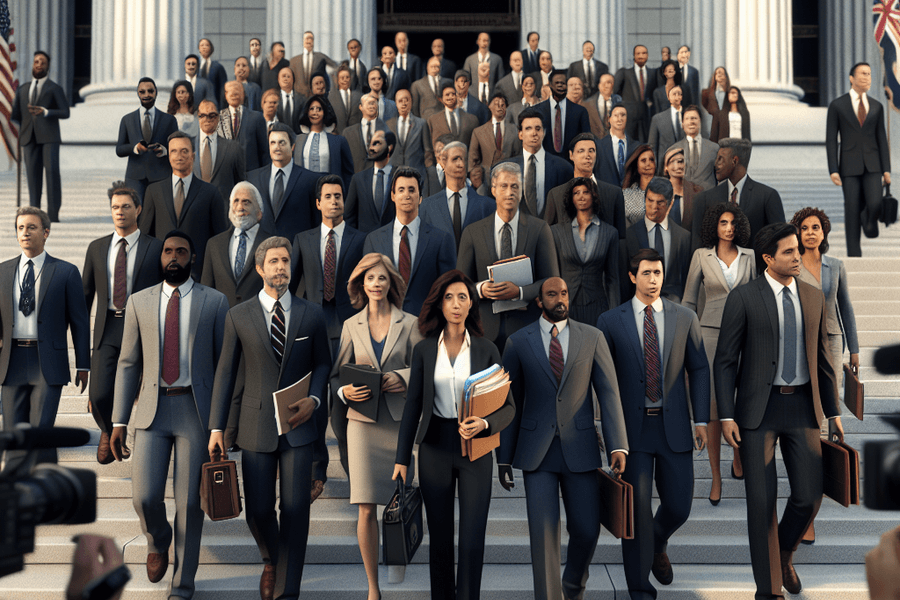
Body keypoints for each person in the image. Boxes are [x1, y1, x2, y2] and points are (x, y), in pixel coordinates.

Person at [714, 222, 842, 599]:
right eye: (788, 252)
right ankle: (768, 592)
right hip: (758, 412)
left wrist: (833, 411)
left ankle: (784, 551)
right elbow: (725, 361)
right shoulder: (744, 297)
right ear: (768, 258)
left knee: (809, 496)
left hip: (803, 408)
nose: (798, 256)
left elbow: (823, 360)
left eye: (797, 249)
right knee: (761, 503)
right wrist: (726, 415)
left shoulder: (813, 296)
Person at [208, 236, 332, 600]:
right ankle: (272, 560)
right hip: (255, 425)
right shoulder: (238, 315)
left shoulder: (312, 313)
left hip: (299, 426)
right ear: (260, 268)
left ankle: (287, 590)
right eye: (274, 261)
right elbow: (225, 374)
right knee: (259, 511)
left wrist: (314, 399)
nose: (281, 267)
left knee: (295, 509)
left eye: (286, 261)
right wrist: (217, 428)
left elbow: (323, 363)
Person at [109, 230, 229, 598]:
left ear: (192, 258)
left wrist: (220, 424)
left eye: (181, 251)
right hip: (152, 410)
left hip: (195, 411)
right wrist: (118, 420)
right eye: (167, 251)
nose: (173, 257)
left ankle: (183, 584)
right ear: (160, 258)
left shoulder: (215, 301)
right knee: (144, 497)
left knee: (190, 504)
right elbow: (128, 362)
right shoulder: (139, 302)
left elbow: (224, 368)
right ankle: (158, 540)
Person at [499, 276, 626, 600]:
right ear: (539, 301)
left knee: (587, 529)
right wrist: (503, 458)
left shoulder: (592, 337)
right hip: (536, 453)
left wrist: (618, 445)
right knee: (543, 537)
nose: (560, 299)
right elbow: (510, 402)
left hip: (580, 449)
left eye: (564, 293)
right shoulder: (518, 341)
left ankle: (572, 585)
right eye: (552, 294)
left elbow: (609, 393)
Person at [393, 270, 516, 600]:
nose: (456, 304)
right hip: (434, 446)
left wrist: (484, 424)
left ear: (471, 303)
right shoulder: (423, 350)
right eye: (449, 297)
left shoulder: (487, 350)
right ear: (440, 304)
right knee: (440, 538)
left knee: (473, 538)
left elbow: (508, 408)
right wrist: (402, 459)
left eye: (463, 297)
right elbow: (413, 405)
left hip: (476, 449)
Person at [596, 248, 709, 600]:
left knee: (679, 506)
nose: (653, 279)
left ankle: (658, 541)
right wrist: (609, 433)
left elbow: (700, 368)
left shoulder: (685, 317)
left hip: (674, 428)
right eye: (646, 273)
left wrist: (701, 419)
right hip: (633, 432)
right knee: (637, 514)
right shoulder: (610, 321)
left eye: (658, 273)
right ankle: (639, 589)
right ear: (633, 277)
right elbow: (603, 381)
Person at [331, 253, 424, 600]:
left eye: (382, 277)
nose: (376, 284)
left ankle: (398, 560)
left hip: (400, 425)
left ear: (391, 283)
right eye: (370, 278)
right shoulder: (350, 325)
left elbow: (425, 368)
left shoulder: (411, 323)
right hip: (362, 424)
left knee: (400, 500)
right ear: (361, 283)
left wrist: (403, 377)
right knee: (366, 506)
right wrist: (344, 392)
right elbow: (337, 375)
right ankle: (373, 587)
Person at [0, 206, 90, 464]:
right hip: (12, 361)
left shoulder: (65, 271)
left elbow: (80, 323)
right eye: (20, 228)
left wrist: (83, 365)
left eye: (32, 227)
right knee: (13, 435)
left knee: (41, 432)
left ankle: (44, 481)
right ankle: (17, 484)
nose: (25, 233)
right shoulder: (3, 271)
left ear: (46, 232)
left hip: (47, 362)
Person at [82, 183, 163, 464]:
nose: (120, 212)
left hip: (141, 327)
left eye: (126, 206)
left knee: (135, 387)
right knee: (99, 393)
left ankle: (118, 432)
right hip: (107, 327)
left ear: (138, 210)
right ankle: (110, 429)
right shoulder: (97, 248)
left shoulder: (156, 248)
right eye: (115, 207)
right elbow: (85, 295)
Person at [291, 175, 366, 477]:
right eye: (328, 196)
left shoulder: (361, 240)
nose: (334, 201)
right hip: (313, 330)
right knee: (316, 400)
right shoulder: (303, 239)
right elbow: (290, 286)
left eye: (338, 196)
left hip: (350, 330)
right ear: (318, 203)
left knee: (346, 403)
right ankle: (317, 470)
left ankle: (354, 472)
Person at [682, 203, 755, 505]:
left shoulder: (750, 256)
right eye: (723, 222)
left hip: (745, 333)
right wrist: (686, 340)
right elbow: (688, 301)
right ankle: (715, 476)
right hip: (709, 333)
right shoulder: (702, 256)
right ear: (714, 225)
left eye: (733, 223)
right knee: (712, 407)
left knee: (740, 399)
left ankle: (737, 453)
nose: (728, 228)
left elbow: (759, 295)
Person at [456, 162, 560, 349]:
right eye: (504, 186)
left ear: (521, 191)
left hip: (528, 329)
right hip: (484, 331)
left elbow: (552, 282)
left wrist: (520, 292)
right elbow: (459, 284)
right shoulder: (473, 232)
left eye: (515, 186)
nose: (510, 192)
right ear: (493, 190)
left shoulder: (539, 229)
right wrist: (481, 289)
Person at [362, 166, 456, 317]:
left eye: (412, 190)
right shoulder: (374, 240)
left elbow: (448, 290)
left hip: (426, 323)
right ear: (392, 196)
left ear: (420, 198)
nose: (407, 195)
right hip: (385, 321)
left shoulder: (440, 239)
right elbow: (368, 287)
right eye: (401, 190)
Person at [139, 131, 227, 280]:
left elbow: (219, 239)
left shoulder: (210, 193)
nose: (179, 156)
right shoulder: (154, 191)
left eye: (184, 151)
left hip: (199, 274)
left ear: (193, 156)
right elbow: (145, 237)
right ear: (168, 156)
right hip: (162, 274)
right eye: (173, 151)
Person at [826, 62, 891, 257]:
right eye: (862, 73)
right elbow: (831, 139)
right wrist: (833, 169)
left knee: (875, 203)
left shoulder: (877, 106)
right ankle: (854, 254)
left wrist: (886, 169)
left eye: (869, 74)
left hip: (873, 165)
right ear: (851, 78)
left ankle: (868, 218)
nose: (866, 77)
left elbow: (882, 139)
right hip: (849, 166)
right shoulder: (837, 105)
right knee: (851, 210)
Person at [690, 138, 785, 253]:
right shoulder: (704, 199)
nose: (716, 164)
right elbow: (697, 248)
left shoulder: (767, 196)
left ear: (734, 161)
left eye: (721, 159)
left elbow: (781, 242)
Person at [550, 178, 620, 324]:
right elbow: (553, 276)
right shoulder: (557, 232)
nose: (581, 196)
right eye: (576, 193)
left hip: (597, 305)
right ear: (571, 199)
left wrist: (614, 313)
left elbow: (612, 279)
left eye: (586, 192)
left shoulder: (610, 233)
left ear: (593, 196)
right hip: (565, 305)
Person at [201, 181, 274, 308]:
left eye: (246, 202)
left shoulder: (272, 245)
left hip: (259, 316)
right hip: (223, 317)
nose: (240, 207)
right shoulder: (214, 244)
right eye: (236, 201)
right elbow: (206, 291)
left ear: (259, 212)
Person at [544, 133, 627, 241]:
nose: (587, 155)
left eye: (591, 151)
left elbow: (621, 239)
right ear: (571, 155)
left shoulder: (614, 193)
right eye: (581, 151)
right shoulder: (556, 195)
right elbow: (548, 238)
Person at [245, 123, 322, 240]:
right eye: (273, 143)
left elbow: (316, 222)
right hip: (262, 247)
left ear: (292, 146)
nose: (277, 147)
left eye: (282, 143)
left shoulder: (311, 180)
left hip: (296, 247)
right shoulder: (252, 178)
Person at [625, 176, 692, 303]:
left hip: (674, 306)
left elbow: (685, 280)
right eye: (650, 200)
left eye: (660, 203)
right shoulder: (630, 235)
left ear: (670, 203)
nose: (654, 207)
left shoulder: (683, 237)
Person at [421, 141, 495, 253]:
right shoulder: (427, 207)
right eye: (455, 159)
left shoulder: (487, 206)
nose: (460, 164)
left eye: (464, 159)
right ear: (443, 162)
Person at [503, 108, 573, 220]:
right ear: (520, 134)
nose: (534, 133)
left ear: (543, 133)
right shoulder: (506, 168)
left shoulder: (563, 168)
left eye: (538, 128)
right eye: (528, 128)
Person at [116, 77, 178, 201]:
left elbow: (176, 146)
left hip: (161, 175)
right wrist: (135, 148)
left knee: (161, 211)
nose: (146, 95)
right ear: (138, 94)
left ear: (156, 92)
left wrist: (164, 150)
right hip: (135, 177)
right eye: (142, 92)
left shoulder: (169, 120)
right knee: (136, 211)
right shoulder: (127, 119)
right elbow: (119, 149)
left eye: (150, 91)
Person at [293, 94, 354, 188]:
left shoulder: (339, 141)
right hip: (303, 190)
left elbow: (348, 172)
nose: (315, 112)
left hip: (330, 190)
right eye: (312, 109)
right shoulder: (298, 140)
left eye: (319, 109)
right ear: (307, 112)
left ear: (325, 112)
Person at [194, 99, 247, 204]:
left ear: (218, 117)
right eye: (203, 115)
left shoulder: (233, 148)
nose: (207, 119)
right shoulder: (188, 146)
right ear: (198, 117)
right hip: (194, 209)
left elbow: (241, 183)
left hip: (223, 208)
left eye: (212, 115)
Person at [345, 130, 398, 233]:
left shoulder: (400, 177)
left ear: (389, 147)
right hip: (365, 239)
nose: (371, 148)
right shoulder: (358, 179)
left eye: (377, 143)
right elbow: (349, 216)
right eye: (370, 144)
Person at [468, 91, 520, 194]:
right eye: (496, 104)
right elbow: (472, 159)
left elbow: (519, 156)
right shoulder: (479, 132)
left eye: (503, 105)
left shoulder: (514, 130)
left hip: (509, 180)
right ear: (489, 106)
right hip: (485, 181)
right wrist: (477, 179)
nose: (499, 107)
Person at [536, 70, 591, 163]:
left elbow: (586, 142)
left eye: (563, 83)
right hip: (543, 163)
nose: (560, 85)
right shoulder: (537, 111)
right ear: (550, 85)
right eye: (557, 83)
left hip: (572, 164)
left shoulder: (580, 112)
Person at [217, 81, 269, 172]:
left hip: (252, 173)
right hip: (226, 173)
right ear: (225, 95)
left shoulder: (256, 117)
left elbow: (264, 152)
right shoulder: (218, 118)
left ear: (243, 94)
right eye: (230, 92)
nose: (234, 95)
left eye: (236, 92)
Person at [665, 105, 719, 191]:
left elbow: (721, 177)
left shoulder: (715, 148)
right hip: (683, 196)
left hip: (709, 196)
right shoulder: (673, 150)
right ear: (682, 124)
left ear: (700, 121)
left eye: (694, 118)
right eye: (687, 119)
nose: (691, 122)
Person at [425, 82, 479, 166]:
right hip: (442, 167)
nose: (450, 97)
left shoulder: (471, 119)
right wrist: (430, 168)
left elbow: (476, 148)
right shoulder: (433, 120)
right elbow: (428, 148)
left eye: (453, 94)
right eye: (447, 95)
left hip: (465, 166)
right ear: (441, 99)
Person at [613, 45, 657, 141]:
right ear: (634, 55)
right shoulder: (625, 73)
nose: (641, 56)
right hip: (629, 118)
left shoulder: (653, 73)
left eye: (644, 53)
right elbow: (615, 93)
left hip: (647, 118)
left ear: (647, 55)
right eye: (638, 53)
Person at [387, 88, 429, 179]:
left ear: (411, 102)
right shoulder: (388, 125)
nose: (404, 103)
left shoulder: (421, 124)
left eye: (406, 100)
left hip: (416, 173)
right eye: (400, 101)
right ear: (396, 103)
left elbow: (427, 152)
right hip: (394, 173)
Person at [343, 93, 390, 173]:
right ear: (360, 107)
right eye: (368, 103)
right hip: (355, 176)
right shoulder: (348, 133)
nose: (371, 106)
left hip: (380, 176)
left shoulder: (387, 130)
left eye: (374, 103)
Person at [596, 103, 638, 188]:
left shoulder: (636, 147)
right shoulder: (598, 146)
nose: (620, 119)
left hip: (630, 193)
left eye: (623, 115)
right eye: (616, 115)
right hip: (606, 192)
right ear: (609, 119)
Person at [662, 146, 702, 231]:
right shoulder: (658, 191)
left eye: (681, 161)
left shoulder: (697, 191)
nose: (679, 166)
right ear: (666, 167)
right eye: (673, 162)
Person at [290, 31, 336, 98]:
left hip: (317, 96)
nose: (308, 40)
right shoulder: (294, 61)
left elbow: (336, 66)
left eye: (310, 38)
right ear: (303, 41)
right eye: (306, 38)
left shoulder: (320, 57)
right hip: (299, 97)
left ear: (313, 41)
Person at [648, 85, 685, 167]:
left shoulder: (688, 116)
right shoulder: (658, 118)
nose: (677, 97)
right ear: (668, 97)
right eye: (674, 94)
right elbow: (652, 147)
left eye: (679, 94)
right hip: (664, 165)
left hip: (685, 165)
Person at [621, 144, 656, 227]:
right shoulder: (626, 194)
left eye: (651, 160)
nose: (648, 163)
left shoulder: (664, 190)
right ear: (636, 165)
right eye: (643, 160)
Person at [582, 73, 622, 140]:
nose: (605, 85)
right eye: (603, 83)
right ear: (599, 85)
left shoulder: (619, 101)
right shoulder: (587, 104)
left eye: (609, 82)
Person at [411, 56, 451, 121]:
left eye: (437, 66)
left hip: (445, 120)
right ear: (427, 67)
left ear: (440, 68)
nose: (434, 68)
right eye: (432, 66)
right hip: (426, 120)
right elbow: (415, 108)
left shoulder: (448, 82)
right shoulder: (417, 85)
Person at [330, 64, 363, 134]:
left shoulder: (359, 96)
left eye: (347, 77)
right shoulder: (331, 97)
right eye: (342, 78)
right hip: (338, 134)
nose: (345, 80)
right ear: (337, 80)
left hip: (354, 134)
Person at [197, 38, 227, 107]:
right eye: (202, 45)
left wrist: (222, 106)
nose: (204, 47)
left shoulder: (218, 67)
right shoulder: (195, 66)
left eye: (207, 45)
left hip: (214, 103)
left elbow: (222, 88)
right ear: (199, 48)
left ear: (211, 48)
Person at [276, 66, 305, 133]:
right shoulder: (273, 98)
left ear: (293, 80)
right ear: (278, 79)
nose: (286, 79)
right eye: (283, 76)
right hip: (278, 135)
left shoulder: (302, 99)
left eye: (288, 76)